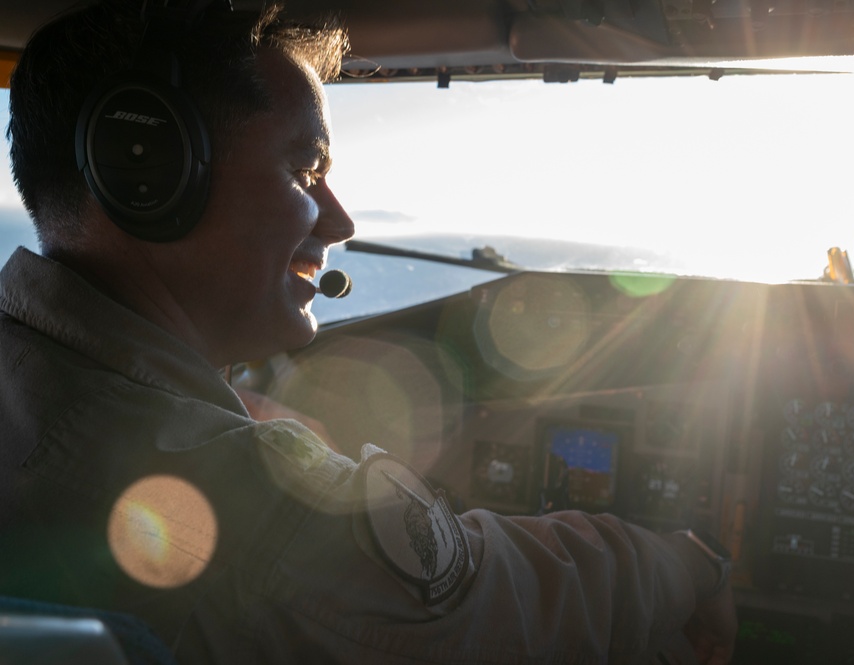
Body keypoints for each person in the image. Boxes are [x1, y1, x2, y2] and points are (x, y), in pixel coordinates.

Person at [0, 1, 738, 662]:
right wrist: (685, 563)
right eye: (306, 167)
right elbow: (488, 610)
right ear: (150, 168)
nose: (341, 219)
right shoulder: (232, 495)